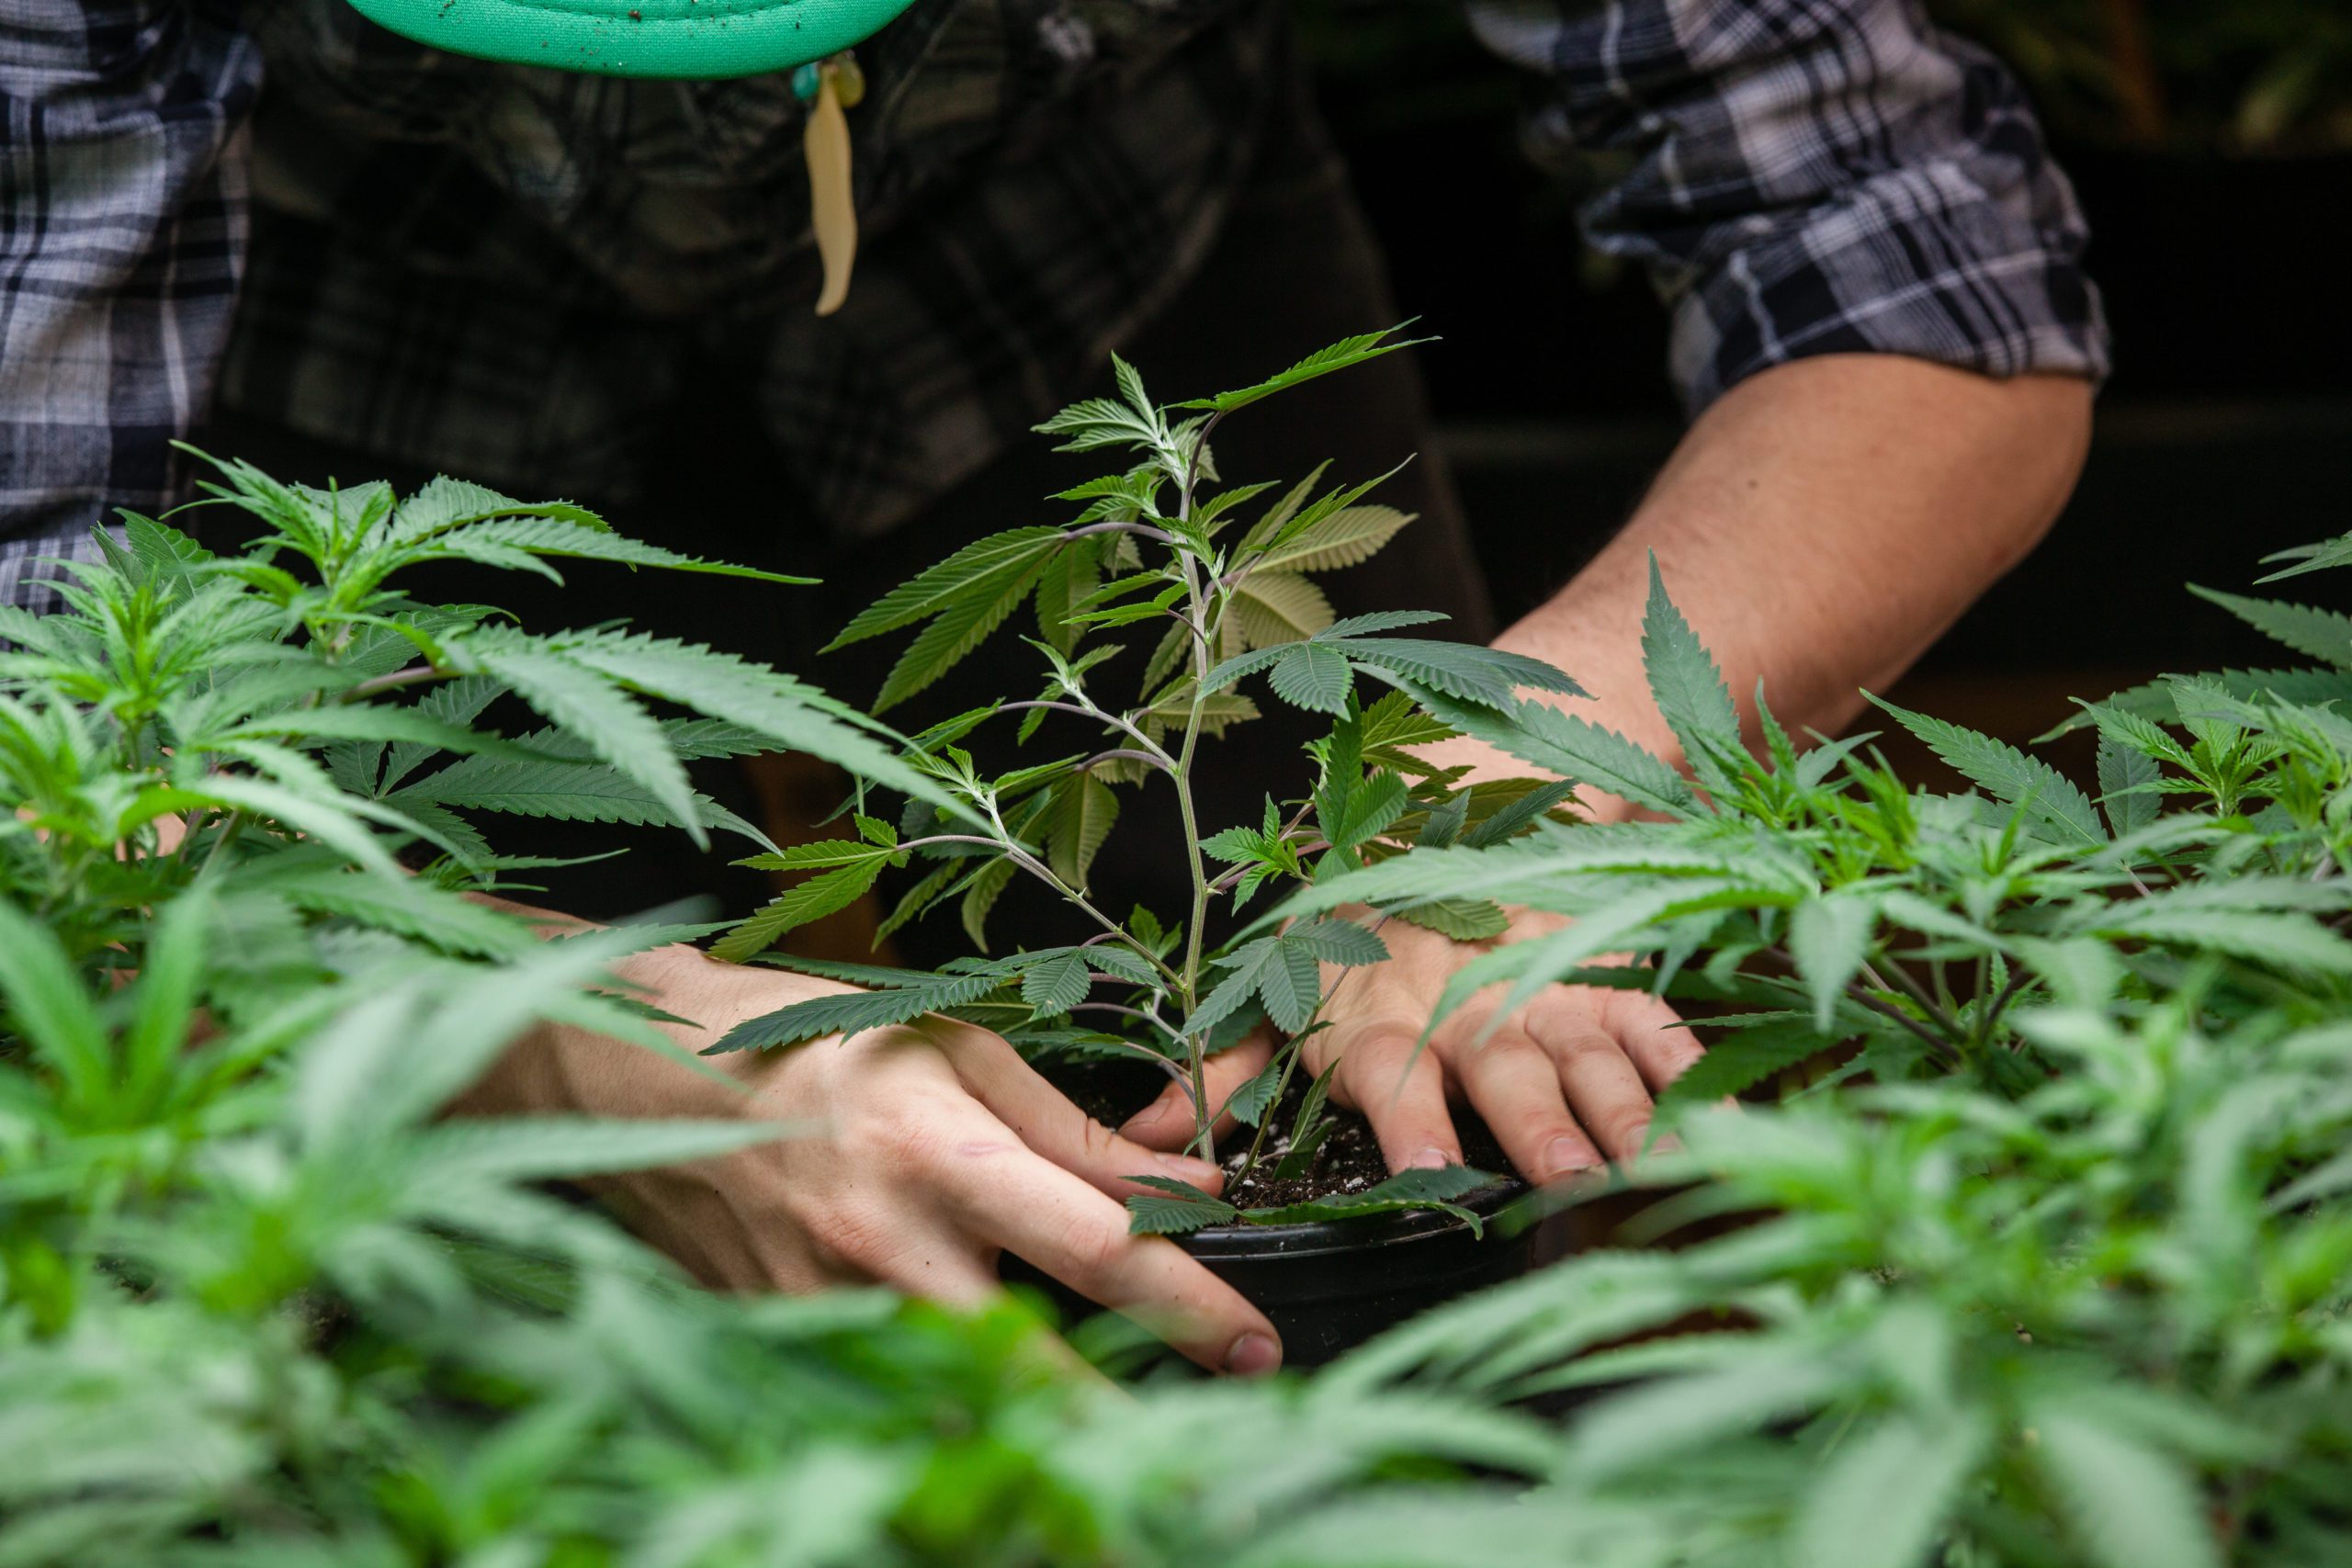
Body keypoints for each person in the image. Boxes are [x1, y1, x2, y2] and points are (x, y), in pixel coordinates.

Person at [1, 0, 2105, 1375]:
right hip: (321, 382)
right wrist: (538, 1031)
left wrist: (1529, 769)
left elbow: (1907, 244)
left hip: (1090, 299)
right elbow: (42, 710)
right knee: (431, 1315)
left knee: (1402, 1229)